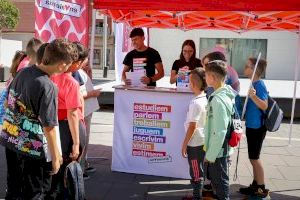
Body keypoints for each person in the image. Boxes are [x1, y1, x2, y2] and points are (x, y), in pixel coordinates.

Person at [0, 38, 77, 199]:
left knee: (13, 187)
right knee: (35, 191)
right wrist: (56, 157)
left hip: (11, 139)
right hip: (32, 148)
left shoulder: (23, 72)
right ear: (62, 65)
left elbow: (8, 103)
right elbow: (49, 127)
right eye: (69, 65)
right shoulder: (48, 86)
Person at [48, 41, 86, 199]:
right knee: (69, 168)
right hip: (68, 128)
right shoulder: (71, 82)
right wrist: (76, 143)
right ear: (75, 62)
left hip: (52, 126)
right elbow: (73, 114)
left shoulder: (48, 76)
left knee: (55, 166)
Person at [204, 60, 235, 200]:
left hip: (218, 151)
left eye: (206, 75)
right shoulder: (226, 93)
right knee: (219, 180)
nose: (205, 78)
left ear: (213, 78)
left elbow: (220, 131)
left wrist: (210, 155)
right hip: (220, 149)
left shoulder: (217, 100)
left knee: (220, 182)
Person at [239, 58, 269, 198]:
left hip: (257, 126)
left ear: (254, 69)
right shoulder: (254, 83)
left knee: (255, 158)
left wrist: (254, 96)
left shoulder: (259, 85)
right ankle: (255, 185)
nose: (245, 67)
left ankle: (261, 188)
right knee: (252, 157)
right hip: (252, 125)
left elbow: (264, 105)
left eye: (247, 66)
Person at [181, 68, 207, 200]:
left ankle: (197, 197)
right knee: (198, 170)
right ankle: (197, 195)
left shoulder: (196, 103)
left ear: (193, 84)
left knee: (196, 172)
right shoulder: (204, 98)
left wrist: (184, 145)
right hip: (200, 141)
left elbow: (192, 127)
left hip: (194, 143)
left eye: (189, 81)